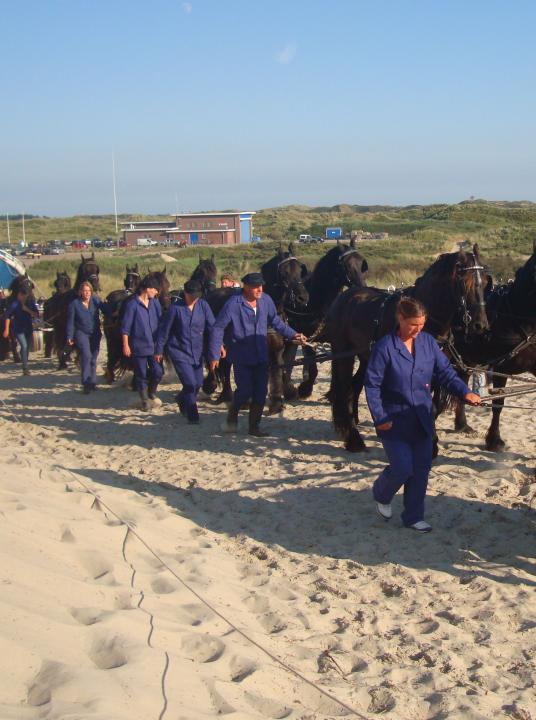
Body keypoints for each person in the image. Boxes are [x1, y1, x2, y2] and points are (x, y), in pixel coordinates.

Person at [364, 296, 481, 533]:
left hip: (422, 418)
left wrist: (465, 392)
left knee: (421, 469)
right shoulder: (385, 347)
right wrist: (379, 417)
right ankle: (381, 492)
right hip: (393, 421)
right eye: (412, 325)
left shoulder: (428, 342)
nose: (417, 330)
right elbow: (372, 385)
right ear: (400, 318)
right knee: (402, 468)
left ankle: (413, 516)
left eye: (421, 324)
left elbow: (445, 373)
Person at [208, 272, 307, 437]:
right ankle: (232, 414)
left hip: (261, 354)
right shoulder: (233, 304)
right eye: (255, 287)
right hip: (241, 355)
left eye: (261, 286)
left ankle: (254, 427)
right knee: (245, 390)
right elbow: (218, 328)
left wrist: (293, 334)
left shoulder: (266, 300)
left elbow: (275, 321)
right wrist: (214, 354)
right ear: (245, 287)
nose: (259, 289)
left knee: (260, 393)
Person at [155, 279, 217, 424]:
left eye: (197, 295)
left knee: (197, 383)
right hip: (178, 351)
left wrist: (219, 345)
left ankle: (181, 399)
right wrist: (158, 350)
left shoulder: (203, 306)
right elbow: (164, 331)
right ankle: (193, 416)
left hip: (197, 351)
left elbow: (213, 328)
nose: (194, 298)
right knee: (189, 384)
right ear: (185, 294)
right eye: (192, 295)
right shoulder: (175, 309)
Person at [121, 275, 163, 411]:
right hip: (138, 346)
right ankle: (145, 400)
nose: (157, 292)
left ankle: (151, 391)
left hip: (154, 346)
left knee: (157, 371)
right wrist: (125, 345)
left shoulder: (155, 303)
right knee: (141, 374)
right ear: (147, 289)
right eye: (155, 290)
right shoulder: (132, 305)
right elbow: (126, 327)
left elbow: (161, 321)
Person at [66, 281, 107, 393]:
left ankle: (92, 382)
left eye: (89, 291)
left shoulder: (95, 300)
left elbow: (105, 309)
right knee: (87, 355)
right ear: (80, 292)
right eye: (84, 291)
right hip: (81, 333)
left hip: (95, 333)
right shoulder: (74, 304)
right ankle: (85, 382)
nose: (87, 293)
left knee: (93, 359)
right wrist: (69, 336)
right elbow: (70, 322)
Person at [2, 288, 39, 375]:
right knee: (24, 345)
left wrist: (27, 309)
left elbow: (36, 314)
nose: (23, 298)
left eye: (25, 296)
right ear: (19, 295)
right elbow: (7, 316)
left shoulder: (30, 303)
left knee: (26, 348)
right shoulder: (15, 304)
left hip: (28, 328)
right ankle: (25, 368)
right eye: (21, 296)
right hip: (19, 329)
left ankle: (24, 360)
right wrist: (6, 329)